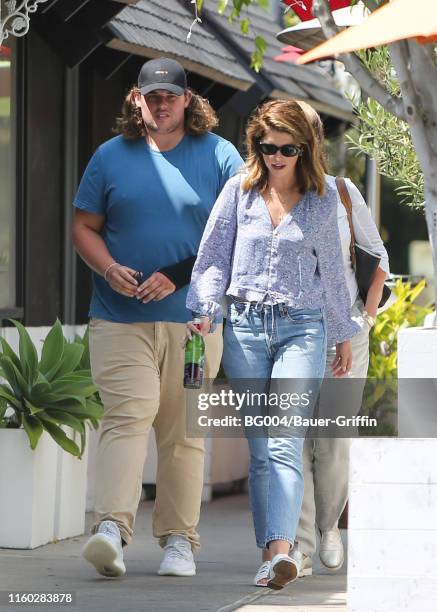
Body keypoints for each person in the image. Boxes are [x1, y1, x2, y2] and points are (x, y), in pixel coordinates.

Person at [72, 57, 243, 579]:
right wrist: (107, 268)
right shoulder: (110, 157)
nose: (162, 103)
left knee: (183, 434)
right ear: (136, 99)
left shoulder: (220, 155)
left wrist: (179, 274)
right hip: (120, 320)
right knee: (129, 415)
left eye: (172, 95)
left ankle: (178, 540)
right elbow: (84, 226)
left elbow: (241, 234)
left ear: (187, 100)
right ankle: (110, 529)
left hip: (195, 326)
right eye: (153, 96)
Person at [184, 100, 360, 589]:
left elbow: (331, 275)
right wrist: (204, 308)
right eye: (269, 146)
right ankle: (271, 553)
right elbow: (214, 255)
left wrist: (342, 333)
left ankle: (283, 551)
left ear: (305, 148)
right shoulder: (238, 192)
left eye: (288, 148)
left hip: (303, 328)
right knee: (261, 449)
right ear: (257, 145)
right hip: (243, 327)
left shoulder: (322, 199)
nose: (278, 156)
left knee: (285, 441)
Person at [291, 101, 390, 577]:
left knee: (331, 440)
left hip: (344, 331)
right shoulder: (270, 194)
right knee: (291, 437)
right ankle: (301, 543)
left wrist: (364, 322)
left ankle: (329, 527)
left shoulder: (344, 193)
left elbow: (378, 260)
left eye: (305, 134)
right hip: (289, 328)